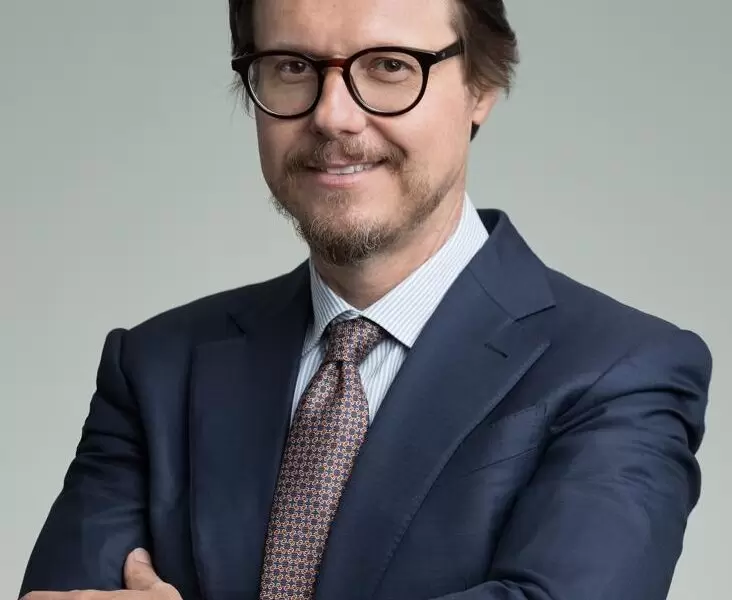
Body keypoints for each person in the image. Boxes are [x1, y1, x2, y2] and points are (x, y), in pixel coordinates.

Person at [19, 0, 712, 599]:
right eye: (292, 66)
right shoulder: (155, 367)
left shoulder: (624, 371)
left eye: (388, 66)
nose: (332, 116)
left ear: (482, 84)